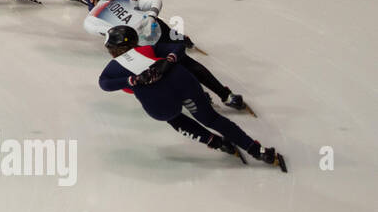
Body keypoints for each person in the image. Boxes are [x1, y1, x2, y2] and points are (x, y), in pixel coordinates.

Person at [98, 26, 286, 171]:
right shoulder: (149, 48)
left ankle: (217, 143)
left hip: (158, 101)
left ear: (112, 49)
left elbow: (104, 83)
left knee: (173, 117)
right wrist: (169, 60)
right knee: (211, 118)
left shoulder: (114, 67)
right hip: (181, 81)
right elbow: (178, 46)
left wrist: (133, 80)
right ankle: (258, 151)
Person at [84, 0, 251, 113]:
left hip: (139, 44)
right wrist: (150, 16)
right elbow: (156, 1)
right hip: (157, 30)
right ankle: (225, 95)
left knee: (167, 71)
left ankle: (198, 95)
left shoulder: (91, 18)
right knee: (186, 63)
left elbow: (107, 38)